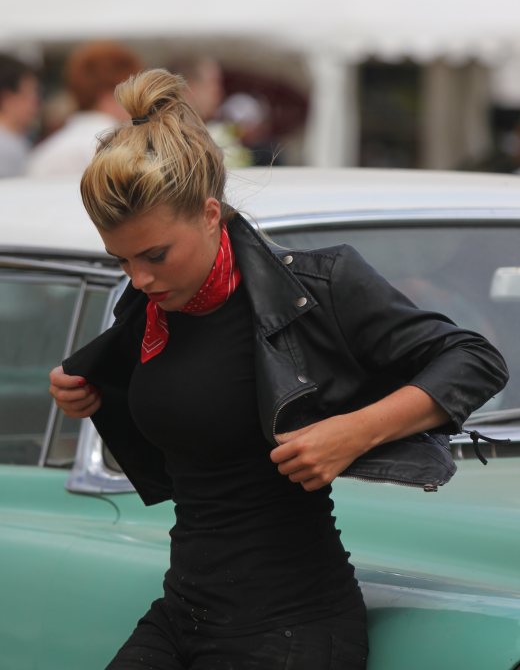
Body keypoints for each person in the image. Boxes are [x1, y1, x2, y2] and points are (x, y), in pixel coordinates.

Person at [49, 69, 508, 670]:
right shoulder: (149, 304)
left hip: (291, 623)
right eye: (122, 260)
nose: (139, 277)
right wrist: (90, 390)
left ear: (212, 215)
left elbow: (475, 359)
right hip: (182, 608)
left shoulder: (316, 285)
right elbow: (187, 409)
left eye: (155, 255)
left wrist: (354, 431)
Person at [28, 40, 142, 177]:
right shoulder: (124, 146)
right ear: (113, 94)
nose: (140, 101)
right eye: (136, 91)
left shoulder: (43, 152)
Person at [0, 53, 39, 178]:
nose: (36, 103)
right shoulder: (8, 148)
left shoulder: (14, 143)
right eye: (29, 94)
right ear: (7, 98)